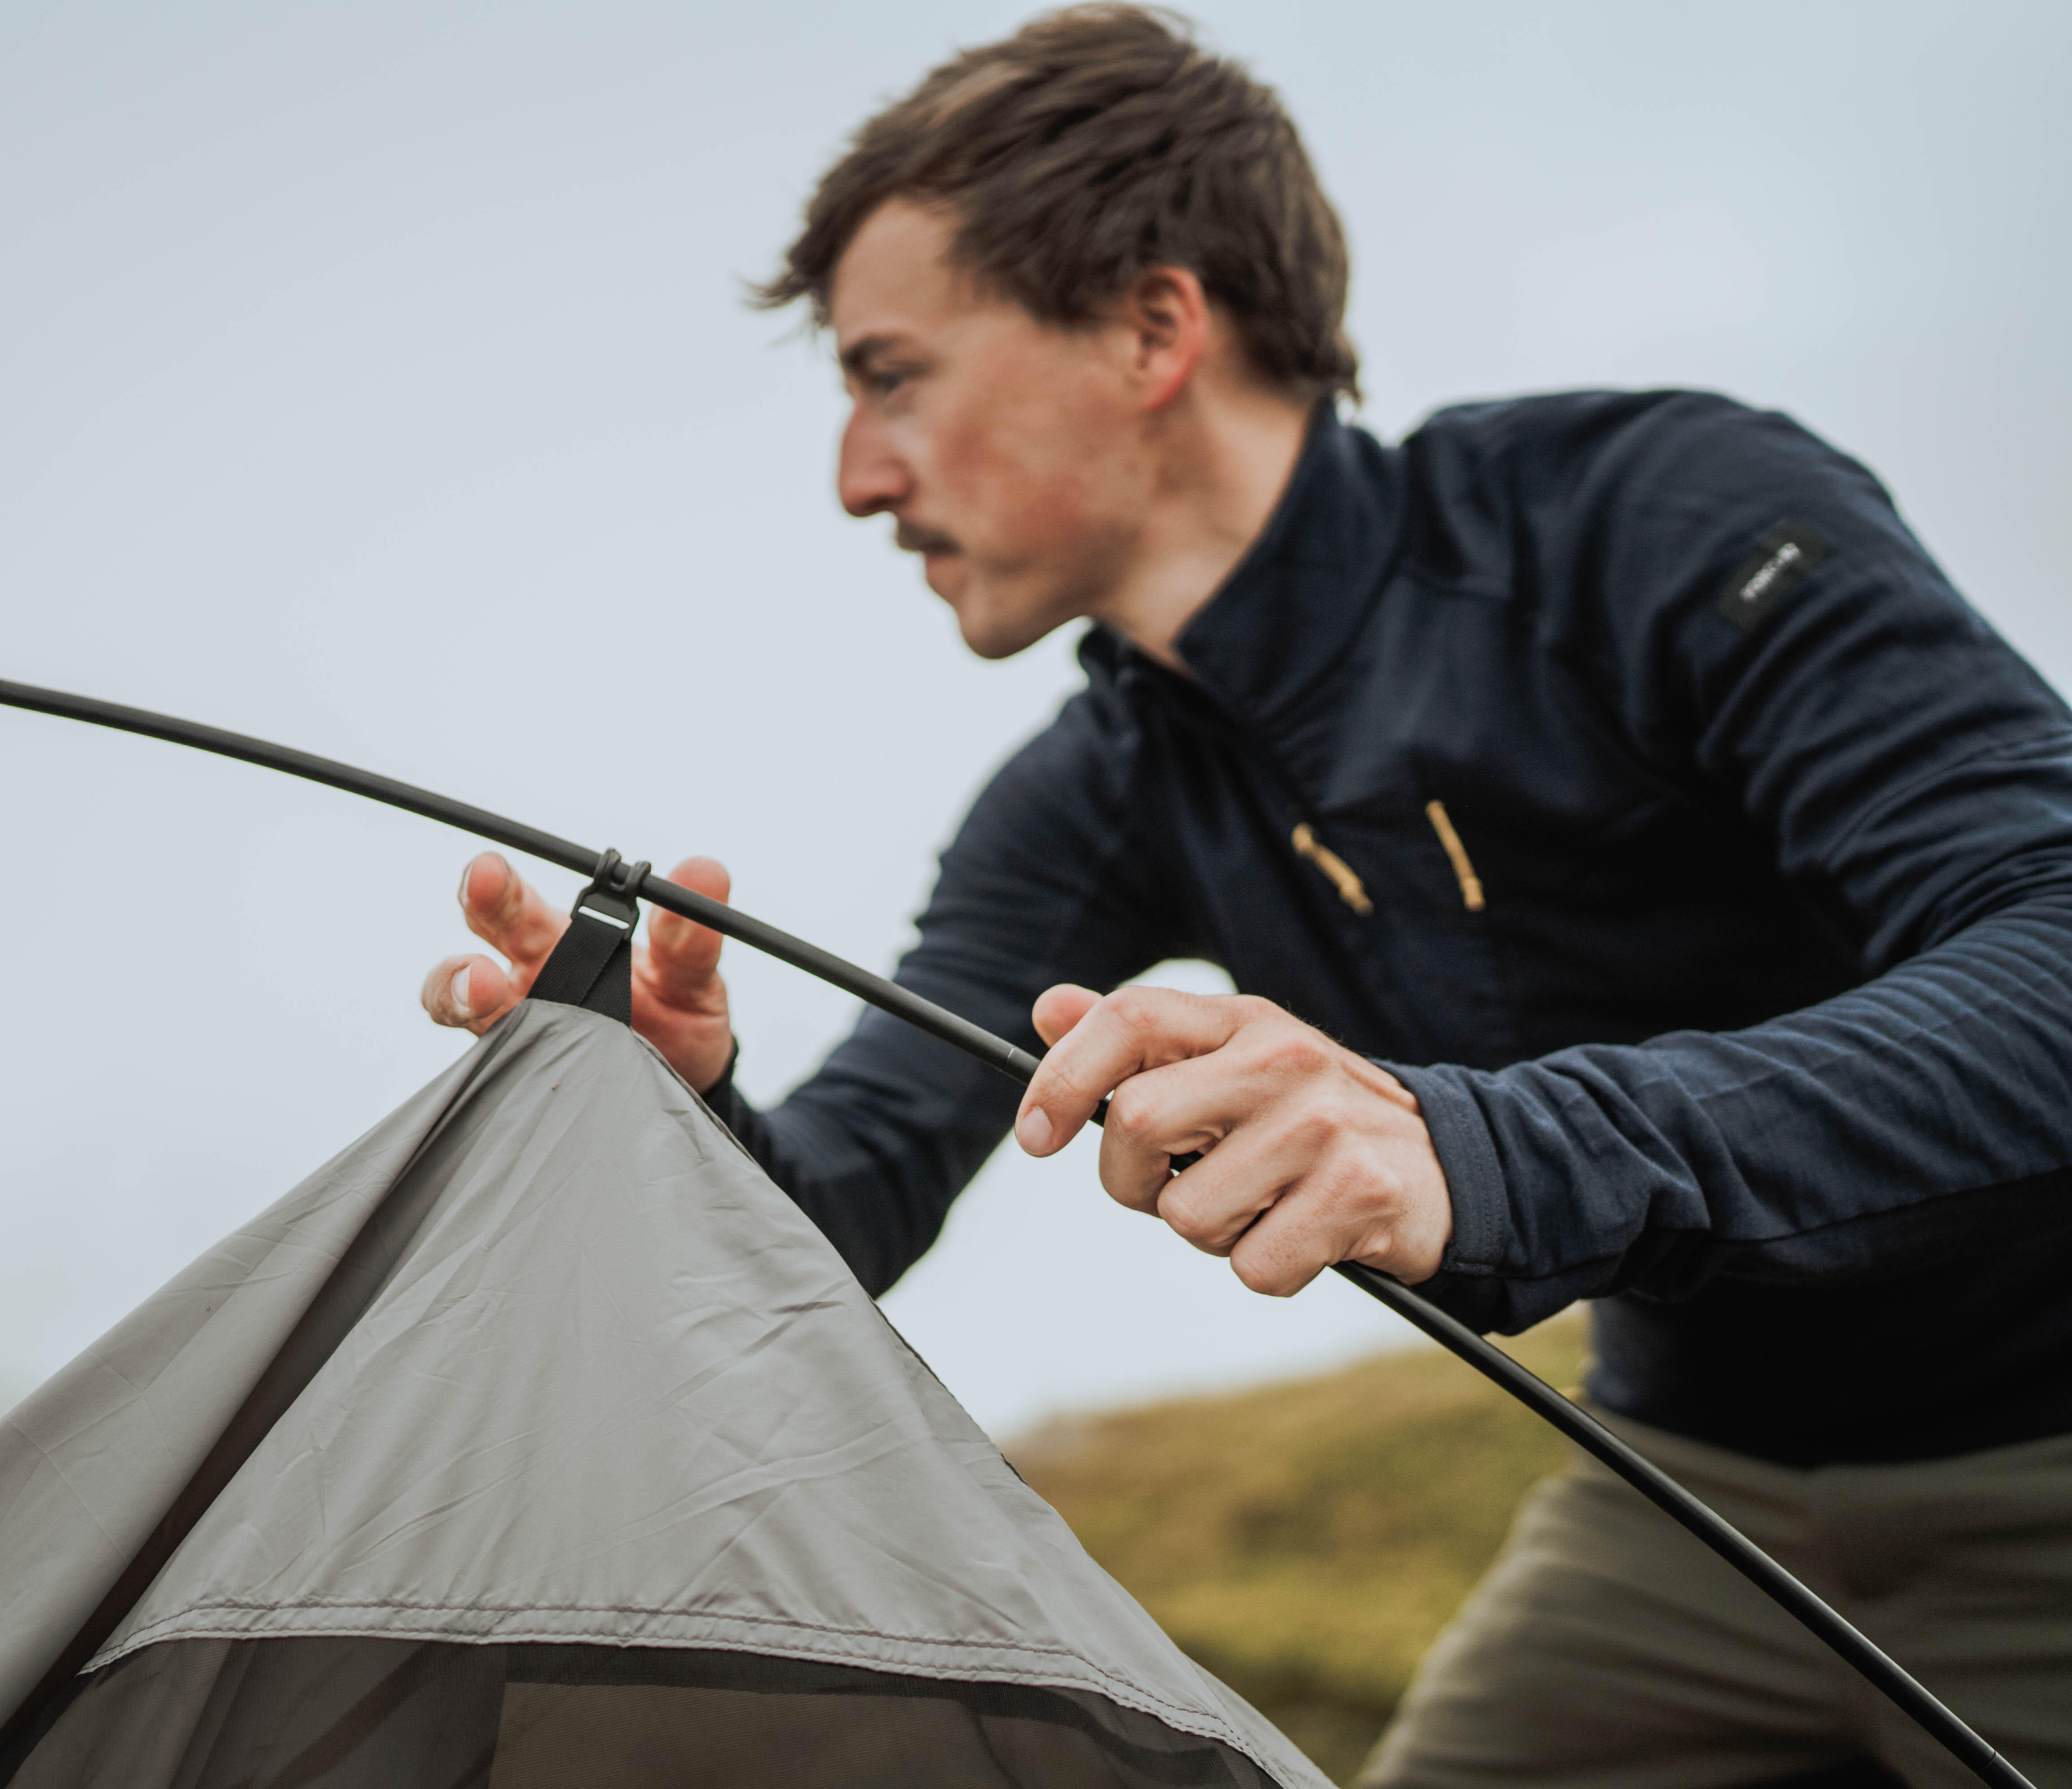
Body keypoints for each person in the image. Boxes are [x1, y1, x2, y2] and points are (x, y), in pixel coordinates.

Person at [419, 9, 2072, 1785]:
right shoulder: (1092, 789)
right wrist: (679, 1121)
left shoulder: (1655, 516)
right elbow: (850, 1198)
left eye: (892, 376)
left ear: (1151, 325)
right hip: (1696, 1498)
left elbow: (2052, 946)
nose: (856, 476)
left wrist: (1486, 1149)